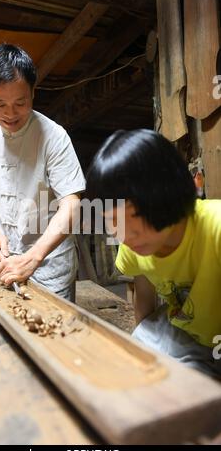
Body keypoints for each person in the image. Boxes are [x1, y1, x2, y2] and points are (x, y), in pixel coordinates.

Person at [86, 128, 221, 379]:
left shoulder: (216, 228)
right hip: (183, 332)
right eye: (111, 221)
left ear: (165, 196)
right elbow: (144, 302)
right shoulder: (133, 243)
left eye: (133, 217)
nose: (124, 236)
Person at [0, 44, 86, 301]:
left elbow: (72, 204)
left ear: (33, 93)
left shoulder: (53, 136)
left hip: (50, 264)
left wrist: (35, 256)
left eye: (20, 102)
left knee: (52, 335)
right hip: (6, 262)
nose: (10, 113)